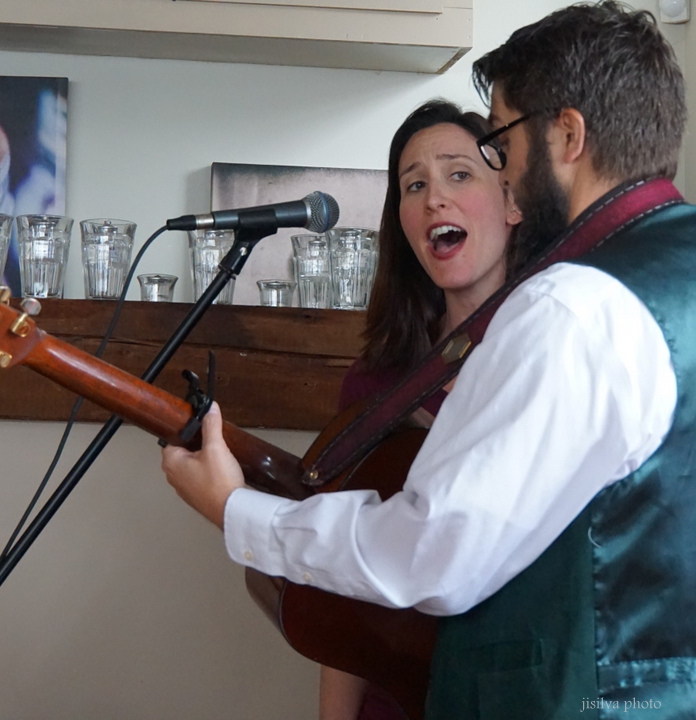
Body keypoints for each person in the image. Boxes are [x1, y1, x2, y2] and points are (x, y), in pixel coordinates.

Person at [162, 2, 695, 717]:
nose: (505, 176)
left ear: (567, 136)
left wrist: (237, 511)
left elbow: (434, 551)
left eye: (503, 142)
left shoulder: (568, 306)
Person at [320, 99, 522, 720]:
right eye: (414, 186)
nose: (435, 198)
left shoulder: (551, 360)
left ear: (512, 201)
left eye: (460, 174)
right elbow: (346, 585)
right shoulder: (374, 383)